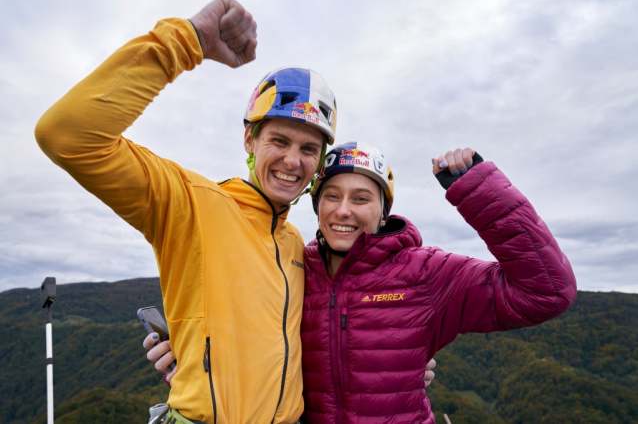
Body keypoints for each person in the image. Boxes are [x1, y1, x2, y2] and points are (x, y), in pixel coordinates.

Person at [34, 0, 341, 423]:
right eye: (280, 141)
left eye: (309, 149)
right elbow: (67, 136)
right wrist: (188, 40)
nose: (293, 161)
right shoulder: (190, 202)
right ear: (250, 141)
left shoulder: (295, 245)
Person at [149, 141, 577, 423]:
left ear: (383, 211)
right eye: (332, 196)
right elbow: (255, 350)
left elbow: (546, 291)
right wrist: (186, 361)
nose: (343, 211)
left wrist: (479, 190)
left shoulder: (425, 272)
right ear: (316, 206)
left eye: (361, 198)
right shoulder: (295, 267)